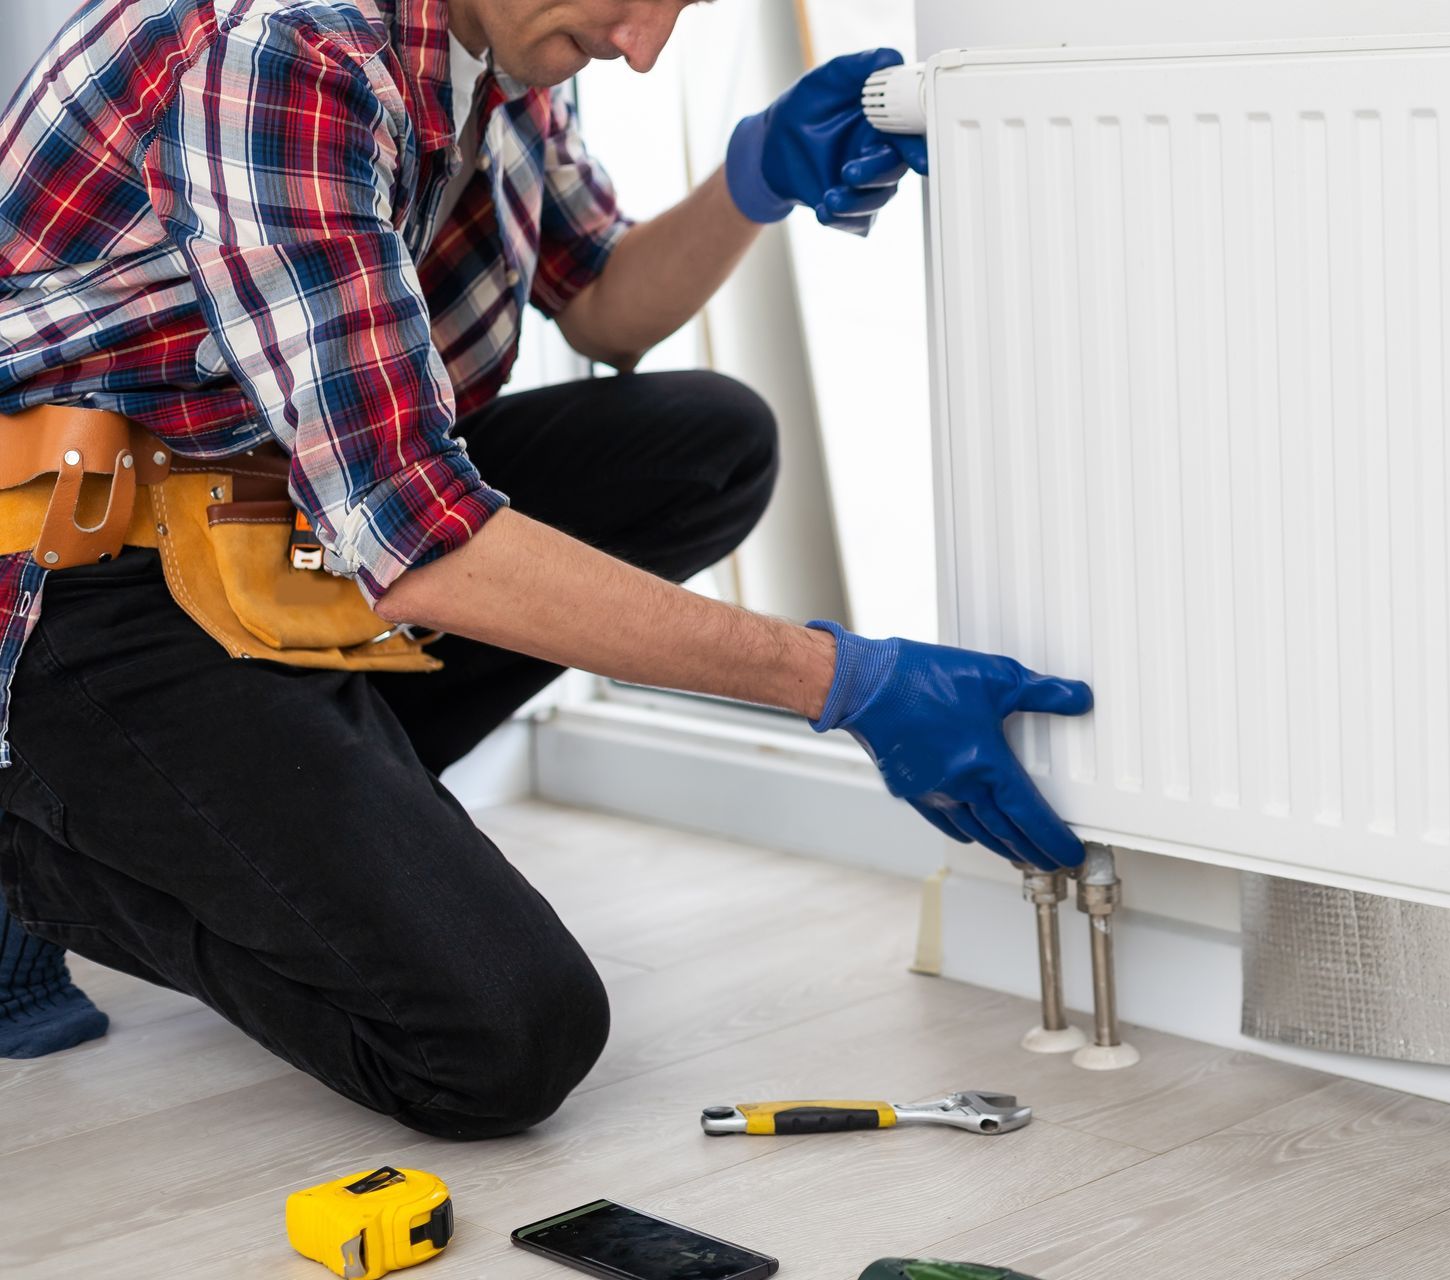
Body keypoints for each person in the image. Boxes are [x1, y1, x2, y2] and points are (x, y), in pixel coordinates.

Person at [0, 0, 1093, 1136]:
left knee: (706, 445)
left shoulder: (501, 49)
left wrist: (755, 175)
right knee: (497, 1043)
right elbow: (413, 532)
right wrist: (839, 680)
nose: (645, 45)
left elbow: (607, 307)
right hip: (76, 588)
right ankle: (35, 841)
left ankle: (297, 801)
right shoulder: (282, 51)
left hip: (278, 540)